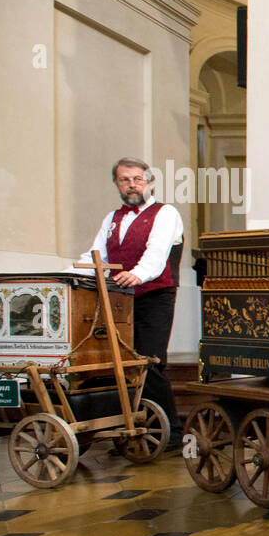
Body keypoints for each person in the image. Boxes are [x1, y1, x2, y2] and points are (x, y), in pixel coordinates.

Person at [73, 157, 184, 445]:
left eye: (137, 179)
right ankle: (129, 428)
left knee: (149, 361)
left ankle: (170, 432)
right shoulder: (112, 218)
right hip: (121, 299)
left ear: (149, 182)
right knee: (120, 362)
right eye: (124, 179)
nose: (131, 184)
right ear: (117, 184)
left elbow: (156, 254)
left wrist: (138, 274)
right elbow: (96, 255)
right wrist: (69, 272)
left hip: (155, 295)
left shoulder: (165, 213)